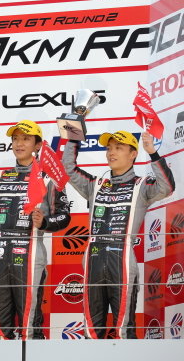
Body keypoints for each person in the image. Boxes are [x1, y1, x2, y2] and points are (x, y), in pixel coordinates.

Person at [0, 120, 71, 340]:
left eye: (26, 139)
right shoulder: (0, 177)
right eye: (15, 139)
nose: (19, 144)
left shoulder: (48, 178)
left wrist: (45, 223)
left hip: (30, 253)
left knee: (30, 324)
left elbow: (64, 215)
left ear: (37, 145)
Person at [62, 130, 175, 339]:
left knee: (124, 327)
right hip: (93, 258)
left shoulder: (142, 186)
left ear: (133, 154)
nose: (111, 153)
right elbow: (68, 167)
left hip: (121, 259)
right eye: (109, 148)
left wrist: (153, 154)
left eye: (118, 148)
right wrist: (74, 134)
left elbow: (167, 187)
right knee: (91, 330)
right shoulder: (95, 185)